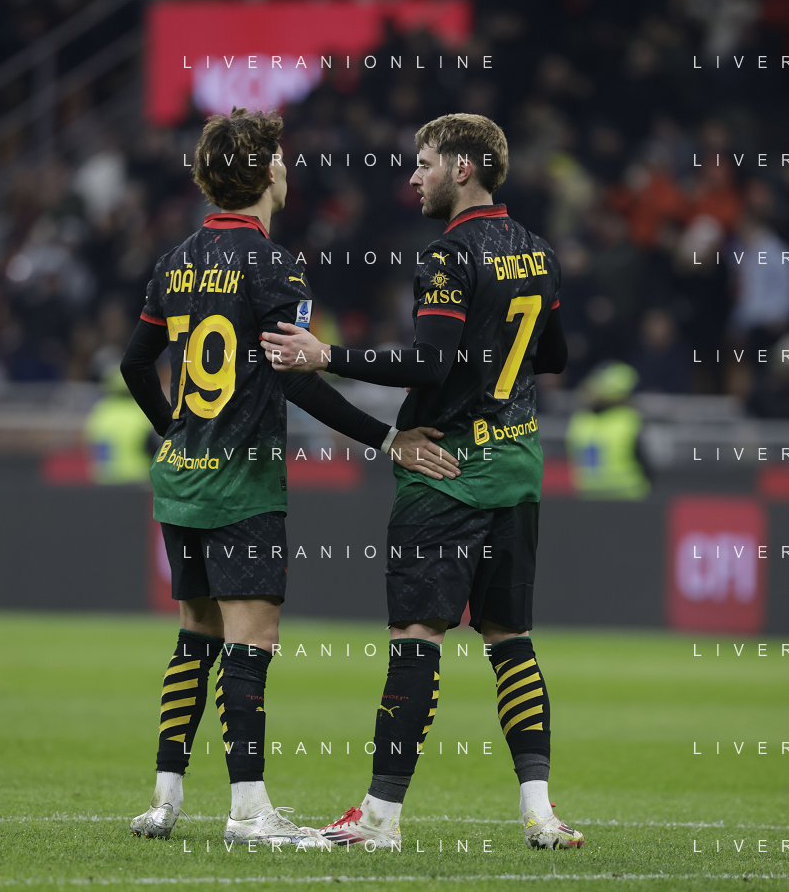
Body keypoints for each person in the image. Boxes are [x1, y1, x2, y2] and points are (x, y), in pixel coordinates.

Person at [120, 107, 460, 848]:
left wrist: (175, 429)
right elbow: (296, 376)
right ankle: (248, 810)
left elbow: (134, 363)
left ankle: (165, 799)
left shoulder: (175, 260)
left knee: (195, 634)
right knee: (252, 639)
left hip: (181, 478)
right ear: (264, 172)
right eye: (277, 155)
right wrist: (386, 439)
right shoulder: (274, 265)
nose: (284, 164)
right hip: (242, 483)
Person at [262, 113, 583, 851]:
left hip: (444, 468)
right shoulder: (539, 252)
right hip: (517, 464)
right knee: (511, 640)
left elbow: (430, 364)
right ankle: (540, 814)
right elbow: (554, 356)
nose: (413, 176)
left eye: (425, 162)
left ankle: (380, 817)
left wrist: (326, 355)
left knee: (415, 636)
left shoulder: (448, 255)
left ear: (462, 169)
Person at [565, 362, 650, 499]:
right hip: (628, 495)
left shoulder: (579, 421)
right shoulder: (629, 420)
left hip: (588, 495)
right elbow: (646, 463)